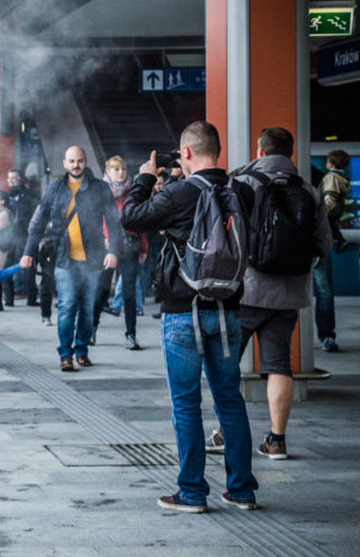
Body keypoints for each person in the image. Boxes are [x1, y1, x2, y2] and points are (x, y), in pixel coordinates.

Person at [120, 120, 258, 513]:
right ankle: (242, 490)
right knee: (230, 400)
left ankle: (193, 493)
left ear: (185, 153)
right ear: (217, 149)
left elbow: (132, 217)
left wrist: (145, 179)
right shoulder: (242, 191)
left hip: (183, 314)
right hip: (230, 311)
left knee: (186, 404)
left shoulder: (180, 194)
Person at [203, 128, 331, 461]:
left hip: (245, 290)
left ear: (260, 150)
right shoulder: (307, 188)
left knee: (226, 364)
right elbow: (324, 244)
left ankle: (223, 432)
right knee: (279, 366)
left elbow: (224, 235)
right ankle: (276, 441)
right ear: (290, 152)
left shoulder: (243, 182)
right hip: (289, 293)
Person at [22, 146, 121, 371]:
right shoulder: (55, 189)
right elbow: (38, 223)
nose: (76, 165)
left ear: (86, 162)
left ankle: (82, 349)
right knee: (67, 305)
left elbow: (114, 222)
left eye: (80, 160)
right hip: (63, 259)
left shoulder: (100, 188)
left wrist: (113, 251)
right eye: (72, 161)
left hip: (93, 259)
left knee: (88, 307)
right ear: (65, 164)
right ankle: (65, 353)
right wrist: (28, 252)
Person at [103, 156, 147, 350]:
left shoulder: (132, 193)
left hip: (130, 245)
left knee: (129, 293)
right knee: (101, 290)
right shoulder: (102, 191)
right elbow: (98, 218)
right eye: (116, 169)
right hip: (107, 247)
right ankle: (92, 328)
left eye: (122, 169)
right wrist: (104, 240)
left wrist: (144, 246)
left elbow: (140, 219)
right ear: (108, 172)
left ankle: (131, 334)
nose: (120, 173)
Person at [316, 149, 350, 351]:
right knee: (324, 288)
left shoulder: (330, 179)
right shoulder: (342, 179)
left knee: (322, 287)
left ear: (330, 162)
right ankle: (327, 335)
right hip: (328, 235)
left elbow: (327, 205)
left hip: (320, 234)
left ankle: (326, 335)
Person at [5, 168, 40, 307]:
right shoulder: (6, 196)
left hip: (25, 236)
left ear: (21, 179)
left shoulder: (30, 195)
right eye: (10, 178)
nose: (12, 180)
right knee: (8, 267)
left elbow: (38, 211)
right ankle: (8, 299)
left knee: (28, 267)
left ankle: (31, 299)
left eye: (15, 177)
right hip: (8, 237)